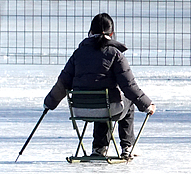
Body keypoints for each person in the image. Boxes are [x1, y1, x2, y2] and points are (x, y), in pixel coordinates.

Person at [44, 13, 156, 160]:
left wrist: (49, 103)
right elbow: (129, 86)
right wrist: (147, 105)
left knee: (103, 99)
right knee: (125, 103)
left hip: (80, 109)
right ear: (112, 33)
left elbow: (63, 82)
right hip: (107, 109)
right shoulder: (115, 55)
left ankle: (99, 148)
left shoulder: (78, 54)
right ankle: (128, 146)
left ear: (90, 32)